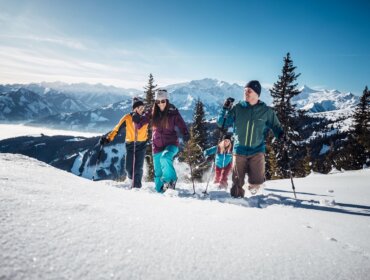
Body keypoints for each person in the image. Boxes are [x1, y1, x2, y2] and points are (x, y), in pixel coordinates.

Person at [218, 80, 284, 198]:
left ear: (257, 94)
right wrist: (225, 109)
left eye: (249, 91)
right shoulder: (238, 108)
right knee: (237, 184)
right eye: (245, 91)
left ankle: (255, 200)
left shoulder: (266, 111)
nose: (246, 93)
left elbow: (276, 126)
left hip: (257, 151)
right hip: (239, 151)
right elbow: (221, 124)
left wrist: (281, 135)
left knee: (257, 183)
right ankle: (236, 204)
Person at [100, 97, 148, 188]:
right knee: (129, 167)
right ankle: (130, 179)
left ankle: (137, 187)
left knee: (138, 167)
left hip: (142, 144)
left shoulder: (145, 117)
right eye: (140, 108)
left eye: (143, 108)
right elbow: (116, 129)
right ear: (134, 108)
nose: (142, 110)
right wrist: (108, 138)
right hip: (130, 144)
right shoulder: (127, 117)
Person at [151, 89, 189, 192]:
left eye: (162, 101)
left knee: (165, 157)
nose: (160, 104)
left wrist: (185, 133)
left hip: (171, 144)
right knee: (158, 174)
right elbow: (143, 119)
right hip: (157, 145)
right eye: (157, 102)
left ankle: (171, 181)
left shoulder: (173, 112)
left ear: (167, 101)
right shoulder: (154, 113)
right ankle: (161, 193)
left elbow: (181, 123)